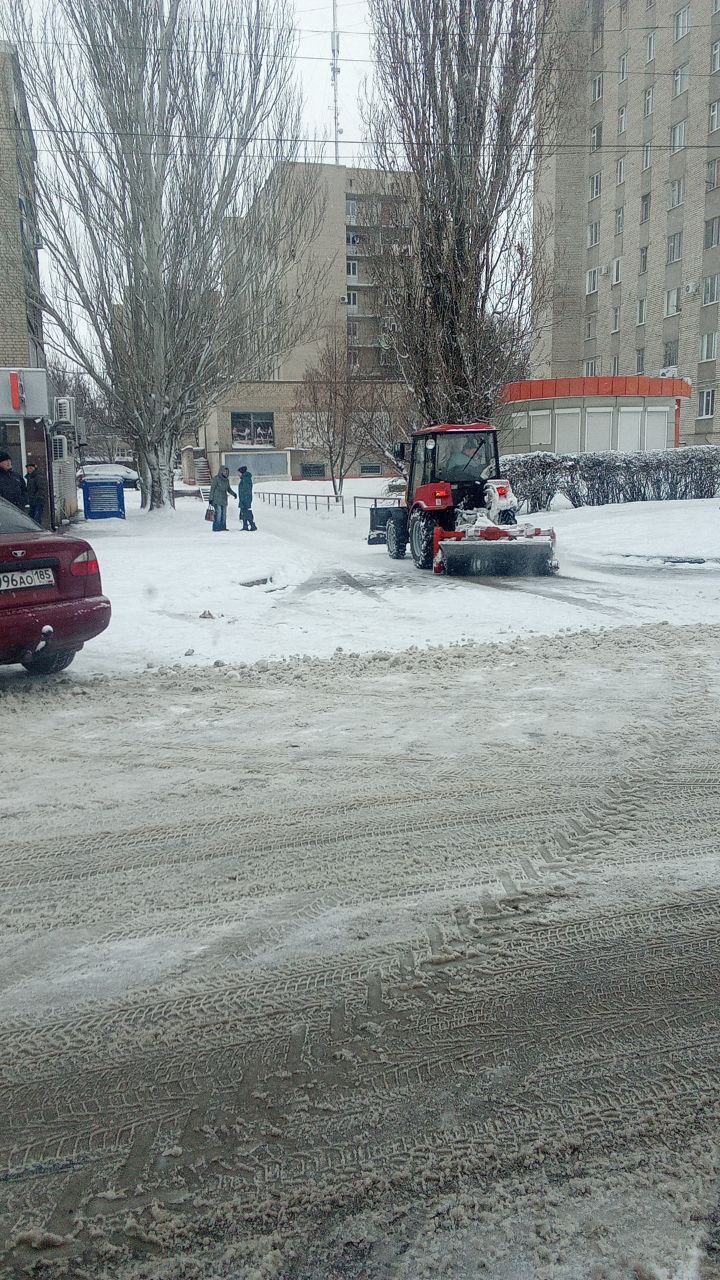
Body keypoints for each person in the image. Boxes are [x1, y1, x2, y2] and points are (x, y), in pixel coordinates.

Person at [208, 466, 236, 532]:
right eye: (224, 471)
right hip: (217, 499)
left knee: (224, 514)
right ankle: (216, 527)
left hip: (224, 499)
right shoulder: (216, 479)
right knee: (218, 513)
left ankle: (223, 527)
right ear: (221, 471)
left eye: (227, 472)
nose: (226, 473)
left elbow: (228, 489)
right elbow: (212, 489)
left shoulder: (227, 480)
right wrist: (210, 499)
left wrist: (233, 494)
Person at [25, 460, 48, 525]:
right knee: (31, 517)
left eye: (31, 468)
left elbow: (41, 488)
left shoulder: (38, 476)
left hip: (38, 501)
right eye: (28, 468)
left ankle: (38, 530)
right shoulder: (29, 477)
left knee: (37, 518)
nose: (29, 470)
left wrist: (37, 498)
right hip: (32, 501)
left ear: (34, 468)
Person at [237, 465, 257, 531]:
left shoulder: (245, 479)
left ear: (242, 472)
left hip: (245, 498)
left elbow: (245, 490)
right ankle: (245, 525)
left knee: (246, 512)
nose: (238, 474)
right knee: (244, 511)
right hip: (244, 498)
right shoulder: (244, 479)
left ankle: (252, 525)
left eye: (238, 473)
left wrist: (243, 500)